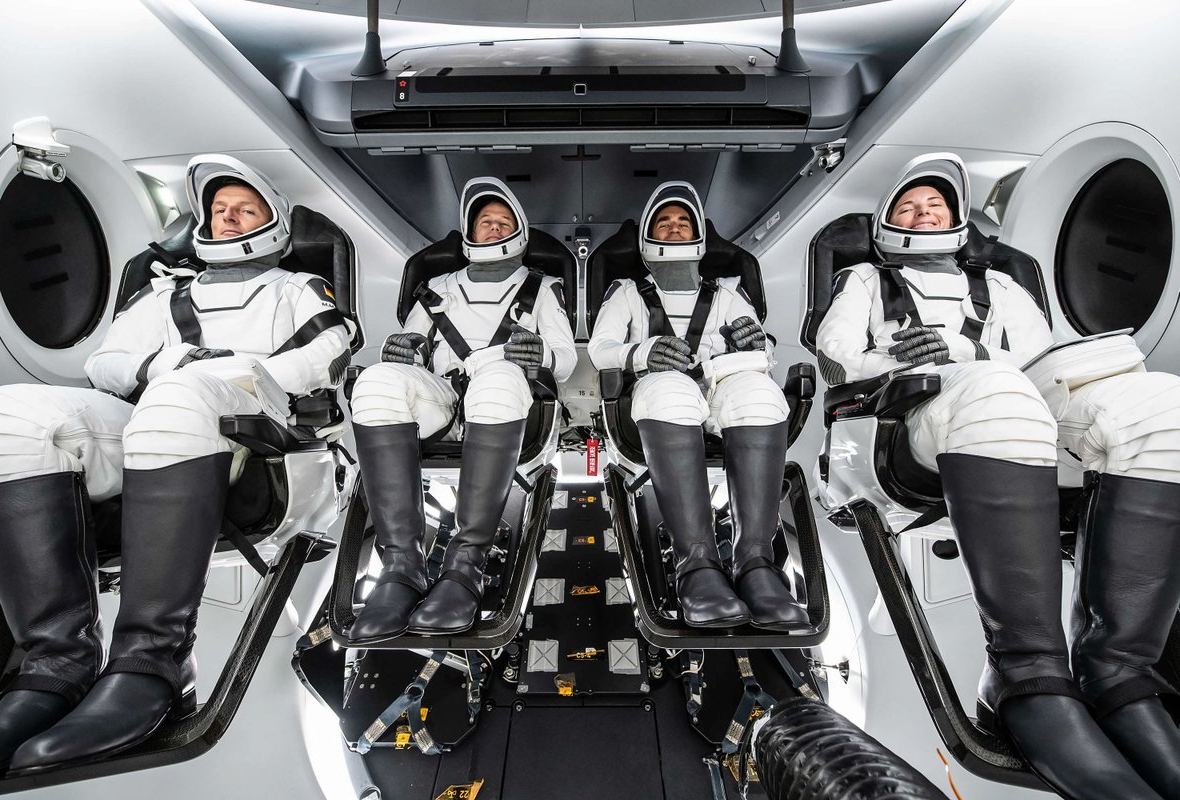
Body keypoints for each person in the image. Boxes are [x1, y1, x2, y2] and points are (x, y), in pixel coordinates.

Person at [817, 152, 1180, 799]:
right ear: (885, 222)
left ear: (957, 220)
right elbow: (837, 356)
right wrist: (898, 356)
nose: (923, 214)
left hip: (1015, 405)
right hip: (906, 420)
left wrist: (970, 349)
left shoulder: (1003, 288)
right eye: (909, 206)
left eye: (935, 205)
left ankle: (1118, 669)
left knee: (1161, 405)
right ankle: (1024, 672)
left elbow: (1042, 360)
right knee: (996, 388)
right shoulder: (866, 281)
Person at [0, 155, 351, 773]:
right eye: (220, 209)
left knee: (182, 393)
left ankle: (154, 661)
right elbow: (105, 365)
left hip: (259, 437)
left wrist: (226, 370)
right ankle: (55, 666)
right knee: (1, 415)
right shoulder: (163, 293)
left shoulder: (297, 289)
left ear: (275, 224)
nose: (229, 218)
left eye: (246, 209)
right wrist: (168, 365)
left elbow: (325, 356)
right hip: (160, 415)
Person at [348, 177, 575, 640]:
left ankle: (465, 567)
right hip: (444, 400)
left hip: (506, 396)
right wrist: (399, 350)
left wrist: (542, 354)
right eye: (485, 221)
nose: (494, 228)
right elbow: (411, 346)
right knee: (375, 380)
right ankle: (401, 569)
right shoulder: (436, 287)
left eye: (504, 221)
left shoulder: (543, 287)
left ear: (520, 231)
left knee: (498, 376)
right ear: (470, 232)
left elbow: (567, 360)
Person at [588, 182, 808, 631]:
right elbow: (600, 349)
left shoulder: (727, 291)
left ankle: (756, 565)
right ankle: (696, 566)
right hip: (659, 385)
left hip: (721, 384)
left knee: (761, 395)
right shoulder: (626, 291)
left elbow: (763, 351)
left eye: (683, 222)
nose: (674, 228)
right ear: (648, 236)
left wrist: (757, 342)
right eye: (664, 223)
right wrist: (643, 352)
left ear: (698, 235)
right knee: (671, 391)